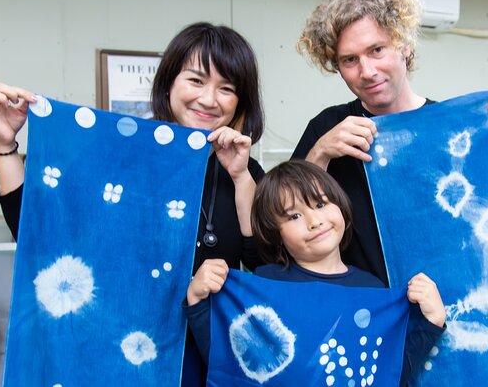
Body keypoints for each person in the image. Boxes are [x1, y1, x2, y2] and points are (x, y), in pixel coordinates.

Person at [0, 22, 265, 386]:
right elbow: (37, 230)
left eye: (227, 88)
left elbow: (260, 259)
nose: (209, 99)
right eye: (196, 80)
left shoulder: (241, 167)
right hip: (118, 353)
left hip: (205, 355)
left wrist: (240, 177)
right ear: (169, 82)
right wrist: (4, 145)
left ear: (241, 100)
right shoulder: (114, 155)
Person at [292, 0, 488, 285]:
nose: (367, 70)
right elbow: (284, 229)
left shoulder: (457, 132)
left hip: (448, 318)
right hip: (365, 318)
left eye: (377, 50)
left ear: (405, 45)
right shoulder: (328, 130)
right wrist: (320, 154)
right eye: (350, 60)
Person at [184, 160, 446, 386]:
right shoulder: (264, 283)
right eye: (294, 216)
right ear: (276, 234)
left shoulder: (371, 289)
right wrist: (196, 301)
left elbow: (384, 375)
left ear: (341, 205)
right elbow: (231, 362)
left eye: (320, 204)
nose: (314, 221)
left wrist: (432, 322)